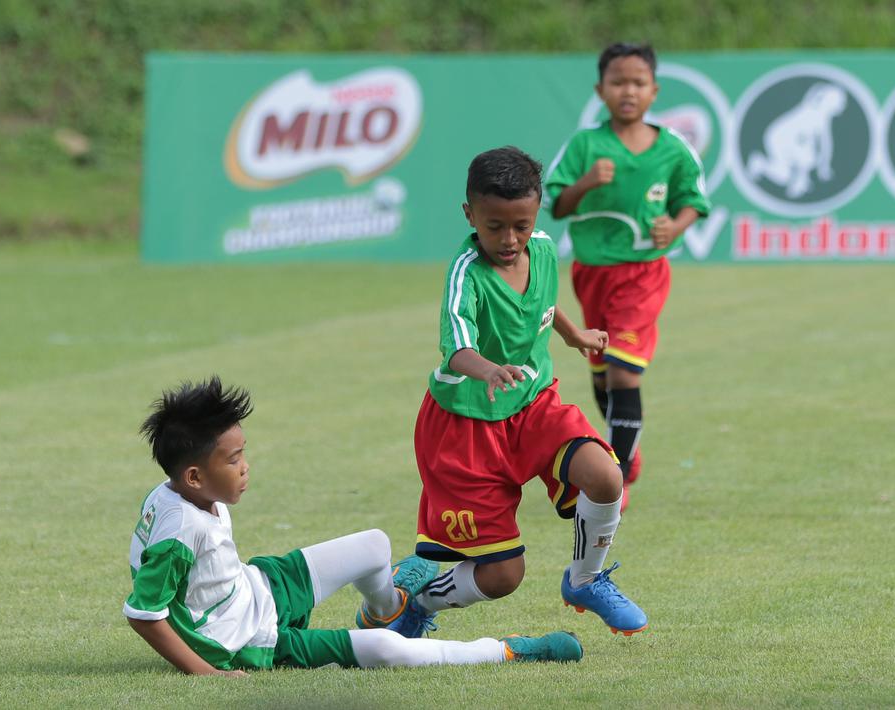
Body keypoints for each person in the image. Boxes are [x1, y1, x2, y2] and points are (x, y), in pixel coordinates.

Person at [123, 376, 582, 675]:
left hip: (258, 585)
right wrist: (207, 674)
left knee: (374, 545)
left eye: (243, 452)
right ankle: (505, 650)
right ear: (195, 476)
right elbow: (144, 613)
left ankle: (390, 608)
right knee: (385, 651)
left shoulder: (181, 492)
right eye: (234, 459)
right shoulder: (180, 532)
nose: (245, 467)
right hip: (248, 640)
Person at [407, 146, 648, 637]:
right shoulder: (466, 273)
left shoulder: (539, 246)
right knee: (501, 576)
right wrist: (490, 370)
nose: (510, 238)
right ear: (470, 214)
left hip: (534, 404)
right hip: (465, 426)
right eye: (495, 226)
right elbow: (455, 348)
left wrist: (572, 333)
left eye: (521, 224)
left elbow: (542, 300)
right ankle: (412, 602)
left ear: (535, 213)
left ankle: (585, 579)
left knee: (606, 476)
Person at [544, 42, 711, 511]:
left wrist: (674, 226)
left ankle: (614, 479)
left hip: (643, 273)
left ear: (654, 91)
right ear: (601, 90)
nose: (628, 91)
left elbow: (695, 200)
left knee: (623, 371)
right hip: (592, 274)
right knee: (603, 374)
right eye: (618, 82)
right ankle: (625, 458)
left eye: (638, 82)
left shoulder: (673, 149)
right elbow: (555, 204)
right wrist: (585, 183)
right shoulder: (585, 145)